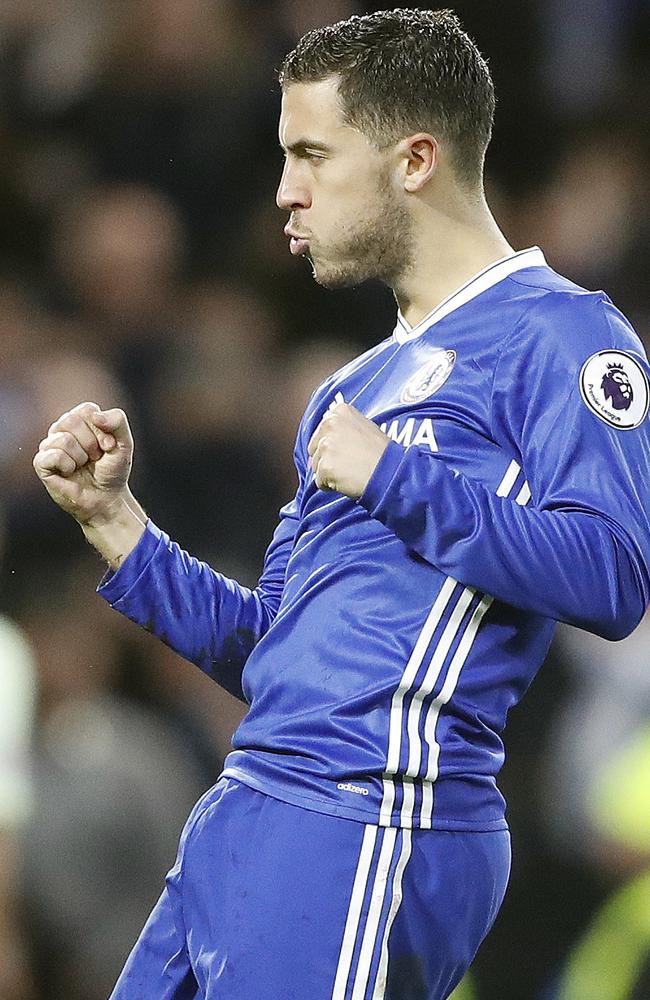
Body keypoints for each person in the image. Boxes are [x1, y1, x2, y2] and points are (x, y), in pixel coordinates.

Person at [32, 9, 650, 1000]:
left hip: (375, 812)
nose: (285, 190)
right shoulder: (349, 391)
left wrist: (395, 479)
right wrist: (119, 529)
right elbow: (272, 653)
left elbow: (615, 577)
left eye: (311, 153)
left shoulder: (562, 335)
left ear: (412, 158)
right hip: (248, 809)